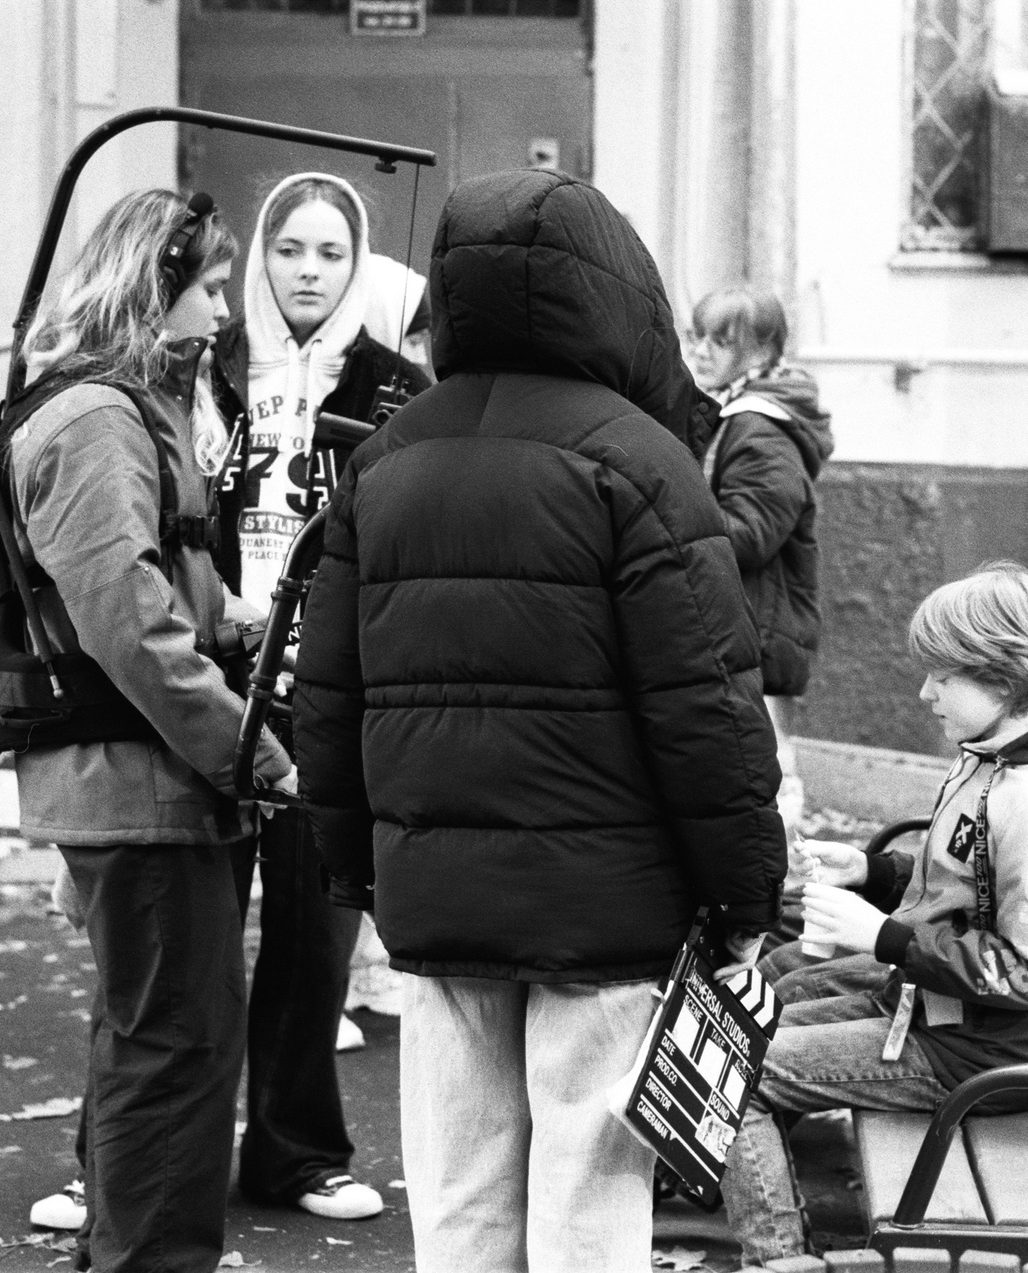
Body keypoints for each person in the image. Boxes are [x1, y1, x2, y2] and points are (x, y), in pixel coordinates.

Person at [290, 168, 787, 1273]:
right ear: (613, 292)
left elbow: (327, 696)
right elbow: (706, 711)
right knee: (587, 1206)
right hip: (607, 908)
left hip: (436, 893)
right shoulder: (644, 464)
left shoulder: (384, 460)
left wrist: (358, 868)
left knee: (460, 1198)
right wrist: (746, 893)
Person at [9, 189, 293, 1273]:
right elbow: (126, 624)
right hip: (142, 782)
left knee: (161, 1036)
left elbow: (157, 591)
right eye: (209, 287)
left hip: (150, 779)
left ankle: (125, 1249)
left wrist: (245, 620)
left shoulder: (126, 407)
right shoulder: (95, 420)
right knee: (175, 1045)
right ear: (151, 284)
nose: (223, 310)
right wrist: (248, 751)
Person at [722, 562, 1028, 1267]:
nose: (925, 692)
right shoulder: (994, 755)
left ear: (1003, 678)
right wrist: (873, 872)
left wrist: (884, 936)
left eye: (942, 676)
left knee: (736, 1079)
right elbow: (971, 889)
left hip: (984, 1056)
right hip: (940, 1015)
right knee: (754, 1023)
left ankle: (777, 1259)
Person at [207, 171, 431, 1221]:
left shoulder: (395, 387)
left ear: (358, 265)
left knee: (313, 937)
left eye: (330, 253)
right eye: (289, 249)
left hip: (327, 693)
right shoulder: (206, 366)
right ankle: (129, 1154)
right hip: (211, 685)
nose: (308, 271)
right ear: (261, 256)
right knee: (185, 939)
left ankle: (296, 1153)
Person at [687, 288, 834, 834]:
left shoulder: (761, 427)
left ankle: (783, 872)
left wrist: (668, 516)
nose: (702, 351)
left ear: (762, 350)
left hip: (758, 633)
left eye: (721, 341)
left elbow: (751, 535)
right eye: (697, 336)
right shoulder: (738, 413)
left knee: (764, 779)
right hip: (749, 628)